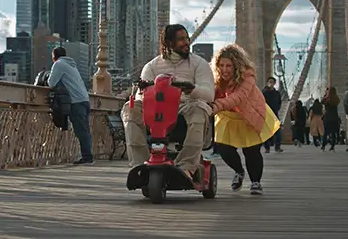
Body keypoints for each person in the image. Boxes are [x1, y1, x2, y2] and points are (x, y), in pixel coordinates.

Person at [120, 24, 216, 181]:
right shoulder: (151, 67)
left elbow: (209, 95)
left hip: (187, 106)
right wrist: (145, 93)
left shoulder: (199, 64)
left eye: (187, 38)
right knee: (130, 109)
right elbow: (140, 96)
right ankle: (141, 165)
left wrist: (191, 89)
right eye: (181, 39)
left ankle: (187, 167)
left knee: (200, 109)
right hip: (158, 109)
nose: (187, 42)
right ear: (169, 43)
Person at [210, 44, 281, 195]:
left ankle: (256, 182)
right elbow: (210, 93)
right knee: (224, 149)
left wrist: (215, 107)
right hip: (228, 117)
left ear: (236, 66)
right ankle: (239, 171)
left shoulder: (247, 77)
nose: (224, 69)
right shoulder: (216, 79)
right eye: (221, 65)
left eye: (229, 65)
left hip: (249, 115)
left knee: (252, 151)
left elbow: (239, 97)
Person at [47, 47, 93, 165]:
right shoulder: (72, 65)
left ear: (54, 56)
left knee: (81, 130)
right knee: (85, 129)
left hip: (76, 101)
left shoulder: (58, 64)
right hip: (85, 99)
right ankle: (88, 155)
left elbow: (51, 83)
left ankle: (87, 157)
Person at [261, 76, 283, 153]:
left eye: (272, 82)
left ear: (274, 83)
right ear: (267, 83)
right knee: (266, 132)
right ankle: (267, 148)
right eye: (269, 82)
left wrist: (277, 108)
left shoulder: (277, 93)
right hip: (266, 114)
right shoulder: (264, 93)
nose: (271, 83)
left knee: (278, 131)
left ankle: (277, 147)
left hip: (275, 114)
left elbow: (279, 102)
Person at [320, 87, 341, 151]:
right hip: (335, 118)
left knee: (325, 133)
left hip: (327, 118)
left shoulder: (327, 99)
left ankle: (323, 146)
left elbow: (322, 101)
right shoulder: (336, 99)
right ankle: (332, 146)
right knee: (333, 133)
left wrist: (326, 94)